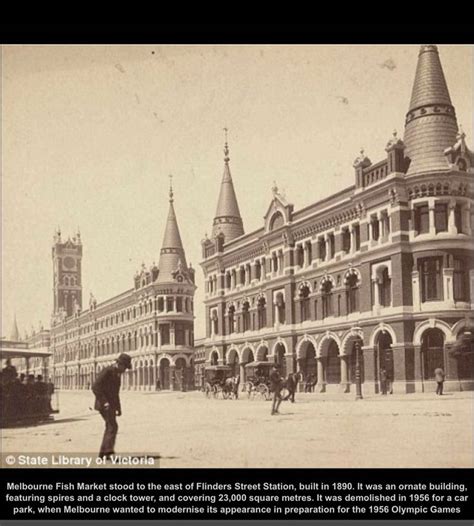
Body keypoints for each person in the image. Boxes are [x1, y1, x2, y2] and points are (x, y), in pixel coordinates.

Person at [92, 353, 132, 459]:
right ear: (119, 364)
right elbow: (95, 386)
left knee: (110, 426)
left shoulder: (117, 374)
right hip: (104, 405)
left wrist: (118, 408)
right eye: (125, 367)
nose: (125, 370)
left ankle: (103, 453)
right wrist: (104, 401)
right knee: (112, 426)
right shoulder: (107, 371)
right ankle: (107, 453)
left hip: (110, 406)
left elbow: (115, 393)